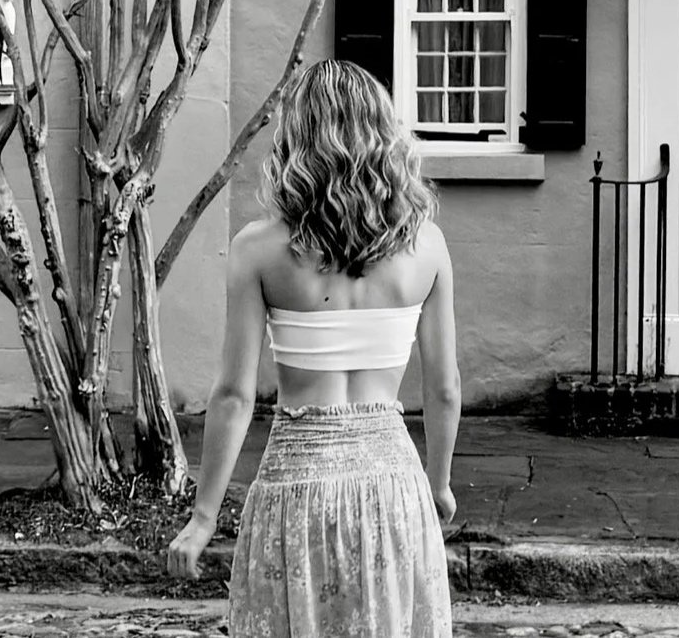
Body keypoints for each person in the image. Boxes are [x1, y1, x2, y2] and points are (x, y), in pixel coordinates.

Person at [164, 58, 459, 636]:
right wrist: (439, 483)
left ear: (299, 138)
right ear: (383, 133)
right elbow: (444, 389)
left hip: (294, 491)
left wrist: (203, 519)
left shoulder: (257, 249)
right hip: (391, 486)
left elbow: (232, 396)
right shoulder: (428, 246)